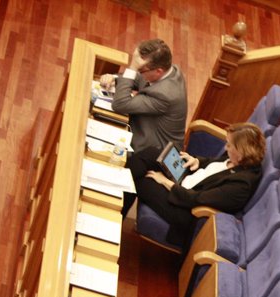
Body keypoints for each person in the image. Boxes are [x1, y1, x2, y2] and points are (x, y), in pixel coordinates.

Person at [123, 122, 265, 247]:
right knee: (151, 152)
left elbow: (197, 199)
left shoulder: (241, 185)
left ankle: (115, 208)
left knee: (141, 179)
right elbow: (215, 165)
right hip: (188, 180)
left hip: (184, 208)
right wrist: (197, 161)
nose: (226, 147)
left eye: (229, 145)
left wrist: (166, 182)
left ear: (241, 152)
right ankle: (115, 184)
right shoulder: (237, 158)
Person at [100, 38, 187, 152]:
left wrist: (132, 68)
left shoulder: (166, 95)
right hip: (138, 128)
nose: (138, 72)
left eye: (140, 69)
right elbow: (138, 79)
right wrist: (114, 79)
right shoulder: (168, 69)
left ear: (158, 71)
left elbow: (120, 104)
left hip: (152, 153)